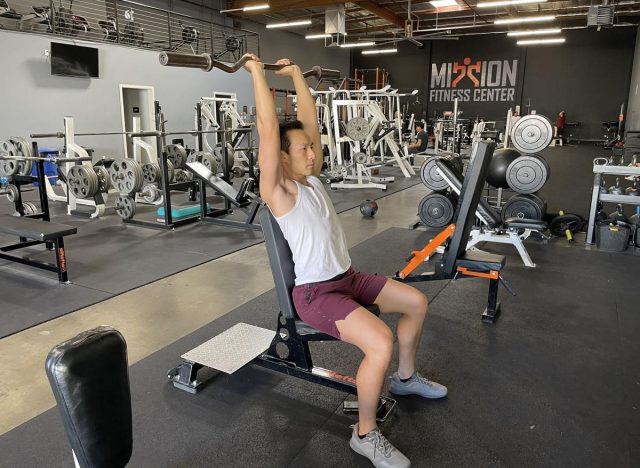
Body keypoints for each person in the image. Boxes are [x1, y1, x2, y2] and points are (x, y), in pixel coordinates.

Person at [244, 53, 447, 468]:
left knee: (416, 303)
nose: (312, 153)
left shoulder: (313, 181)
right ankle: (365, 434)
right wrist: (257, 74)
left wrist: (297, 75)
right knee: (380, 343)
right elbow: (268, 132)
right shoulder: (280, 192)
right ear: (282, 158)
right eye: (302, 150)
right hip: (316, 294)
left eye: (313, 149)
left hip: (347, 279)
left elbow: (310, 122)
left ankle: (405, 380)